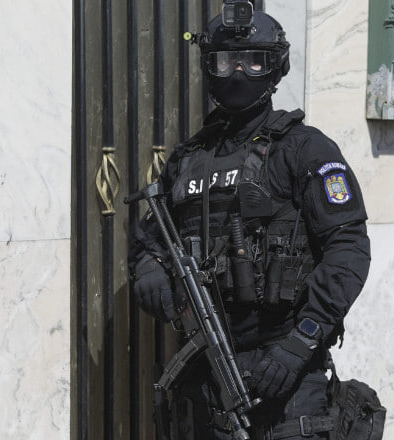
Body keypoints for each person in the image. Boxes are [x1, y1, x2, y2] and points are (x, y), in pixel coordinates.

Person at [129, 5, 371, 439]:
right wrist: (149, 271)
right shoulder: (188, 159)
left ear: (275, 68)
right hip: (208, 376)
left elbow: (348, 249)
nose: (238, 72)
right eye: (225, 61)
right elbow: (150, 239)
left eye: (253, 61)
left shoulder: (304, 150)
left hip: (287, 375)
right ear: (208, 67)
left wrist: (301, 341)